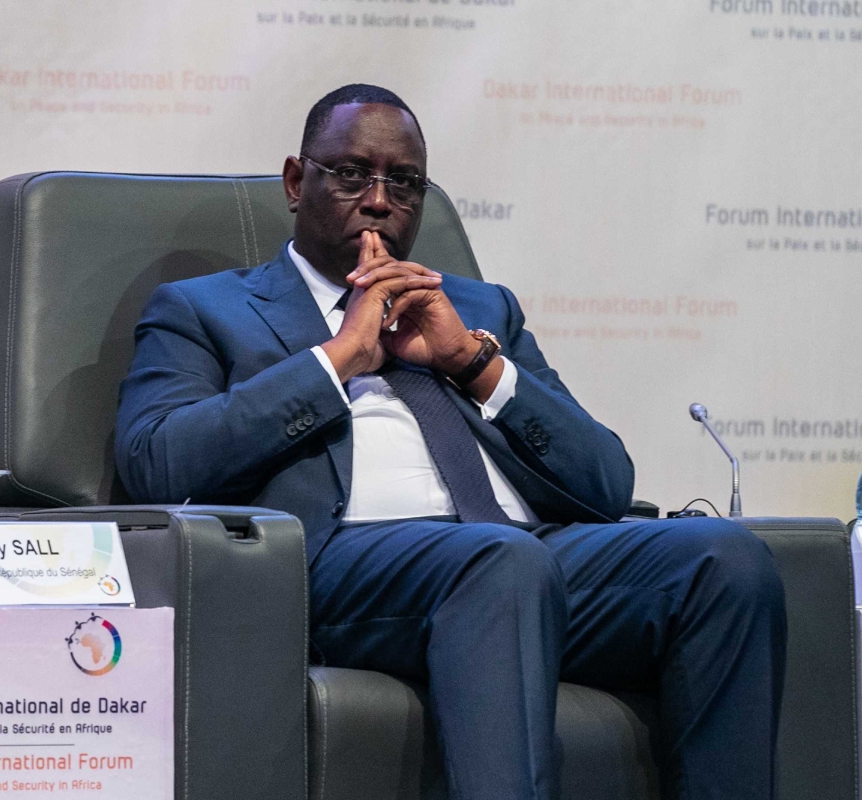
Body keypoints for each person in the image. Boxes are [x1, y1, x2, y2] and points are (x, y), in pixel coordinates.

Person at [115, 84, 785, 799]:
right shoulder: (206, 308)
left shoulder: (480, 308)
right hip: (339, 565)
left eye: (403, 184)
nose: (378, 201)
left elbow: (604, 482)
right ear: (294, 180)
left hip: (521, 556)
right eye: (351, 175)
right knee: (498, 562)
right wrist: (338, 359)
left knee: (725, 560)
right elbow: (158, 459)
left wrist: (471, 359)